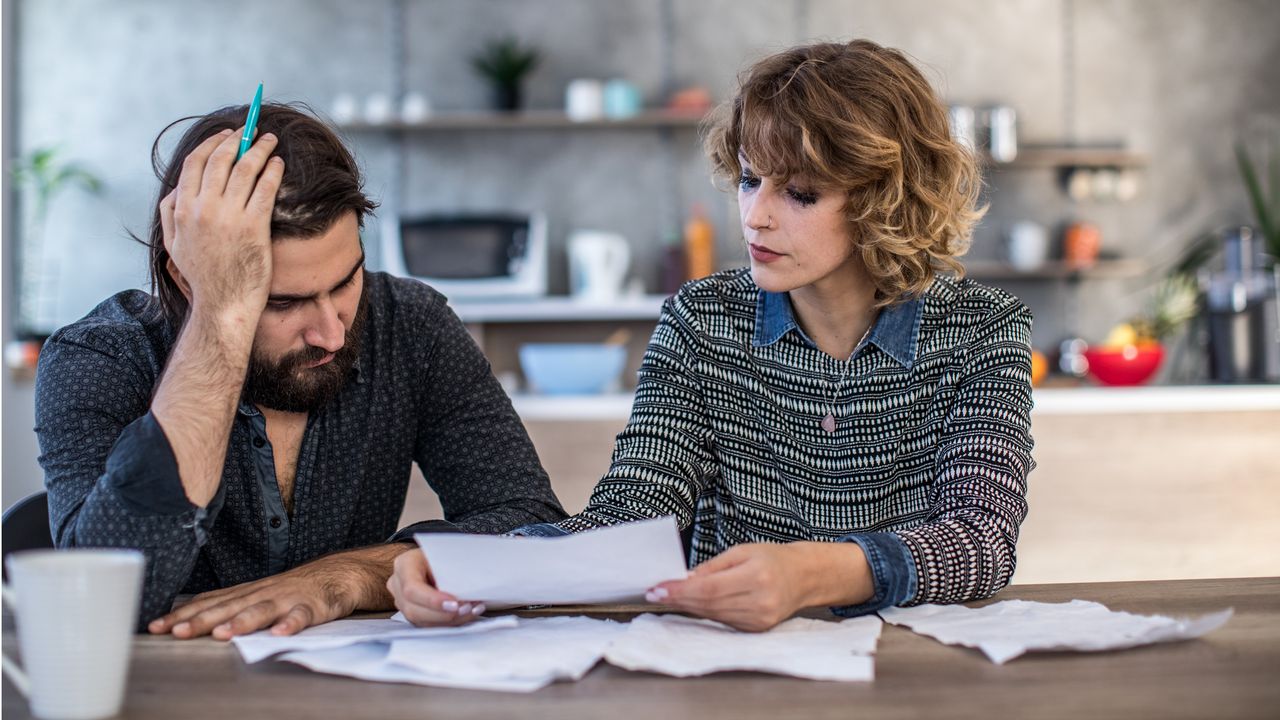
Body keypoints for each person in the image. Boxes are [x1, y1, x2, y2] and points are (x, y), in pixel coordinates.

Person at [389, 39, 1035, 632]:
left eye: (800, 194)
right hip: (731, 671)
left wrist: (810, 573)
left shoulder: (985, 330)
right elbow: (631, 515)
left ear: (887, 198)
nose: (755, 215)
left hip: (916, 678)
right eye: (751, 179)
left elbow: (979, 541)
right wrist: (471, 568)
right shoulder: (702, 320)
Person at [35, 103, 566, 638]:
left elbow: (529, 527)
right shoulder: (100, 356)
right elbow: (105, 599)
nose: (332, 335)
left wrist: (347, 577)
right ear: (186, 277)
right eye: (283, 303)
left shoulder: (413, 324)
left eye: (345, 283)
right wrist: (219, 320)